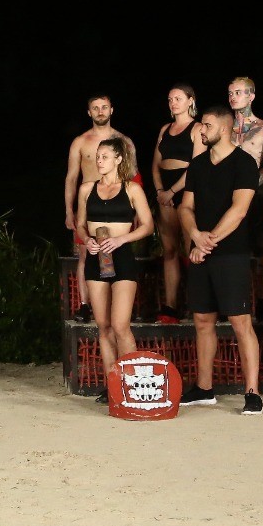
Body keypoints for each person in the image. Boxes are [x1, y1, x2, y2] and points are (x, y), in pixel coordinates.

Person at [177, 105, 263, 415]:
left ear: (224, 129)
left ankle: (252, 392)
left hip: (232, 254)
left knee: (241, 322)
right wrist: (195, 235)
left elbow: (239, 211)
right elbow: (185, 208)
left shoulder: (244, 163)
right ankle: (204, 388)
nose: (201, 130)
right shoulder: (198, 165)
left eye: (207, 125)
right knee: (202, 320)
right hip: (201, 250)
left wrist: (206, 242)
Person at [78, 135, 156, 402]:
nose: (99, 161)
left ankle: (134, 383)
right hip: (95, 255)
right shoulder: (86, 189)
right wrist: (87, 240)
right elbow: (80, 224)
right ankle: (113, 385)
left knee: (121, 325)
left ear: (118, 159)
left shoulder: (132, 189)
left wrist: (122, 239)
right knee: (103, 325)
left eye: (105, 157)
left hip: (121, 254)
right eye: (97, 157)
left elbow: (148, 225)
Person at [150, 83, 204, 324]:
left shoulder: (197, 128)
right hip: (165, 193)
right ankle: (171, 306)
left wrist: (173, 191)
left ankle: (198, 303)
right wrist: (161, 191)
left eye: (178, 98)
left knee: (192, 249)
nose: (173, 103)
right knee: (170, 250)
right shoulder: (165, 128)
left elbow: (197, 166)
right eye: (170, 99)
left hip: (186, 190)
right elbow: (155, 164)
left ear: (190, 100)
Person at [226, 77, 263, 320]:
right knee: (228, 247)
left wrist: (248, 186)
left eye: (238, 92)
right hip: (226, 193)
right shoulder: (224, 127)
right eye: (230, 93)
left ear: (251, 96)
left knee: (261, 249)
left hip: (255, 194)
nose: (233, 97)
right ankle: (230, 303)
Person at [65, 92, 122, 282]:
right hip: (88, 204)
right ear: (89, 112)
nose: (100, 111)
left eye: (104, 107)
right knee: (85, 254)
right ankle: (85, 300)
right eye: (95, 108)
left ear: (111, 110)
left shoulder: (122, 141)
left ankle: (115, 297)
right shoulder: (80, 142)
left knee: (116, 253)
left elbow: (132, 177)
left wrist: (136, 210)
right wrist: (69, 210)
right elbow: (71, 178)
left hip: (116, 203)